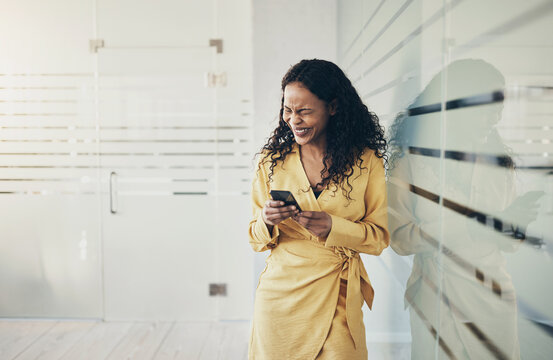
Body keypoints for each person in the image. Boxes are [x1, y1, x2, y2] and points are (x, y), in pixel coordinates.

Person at [247, 59, 390, 360]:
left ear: (333, 108)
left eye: (304, 111)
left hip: (337, 292)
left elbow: (378, 238)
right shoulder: (271, 162)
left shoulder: (366, 163)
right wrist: (266, 219)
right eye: (288, 109)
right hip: (280, 297)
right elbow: (255, 239)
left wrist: (334, 228)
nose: (293, 120)